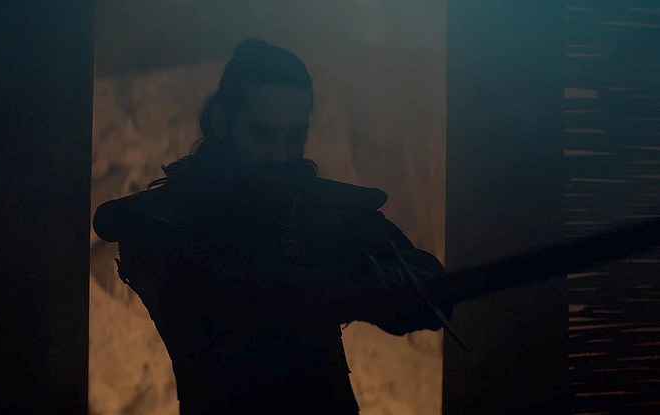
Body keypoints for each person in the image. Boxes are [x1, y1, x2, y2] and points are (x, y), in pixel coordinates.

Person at [94, 38, 446, 415]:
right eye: (261, 133)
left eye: (294, 136)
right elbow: (240, 299)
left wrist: (385, 282)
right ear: (222, 122)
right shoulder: (162, 219)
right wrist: (349, 280)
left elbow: (427, 293)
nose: (281, 154)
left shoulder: (313, 208)